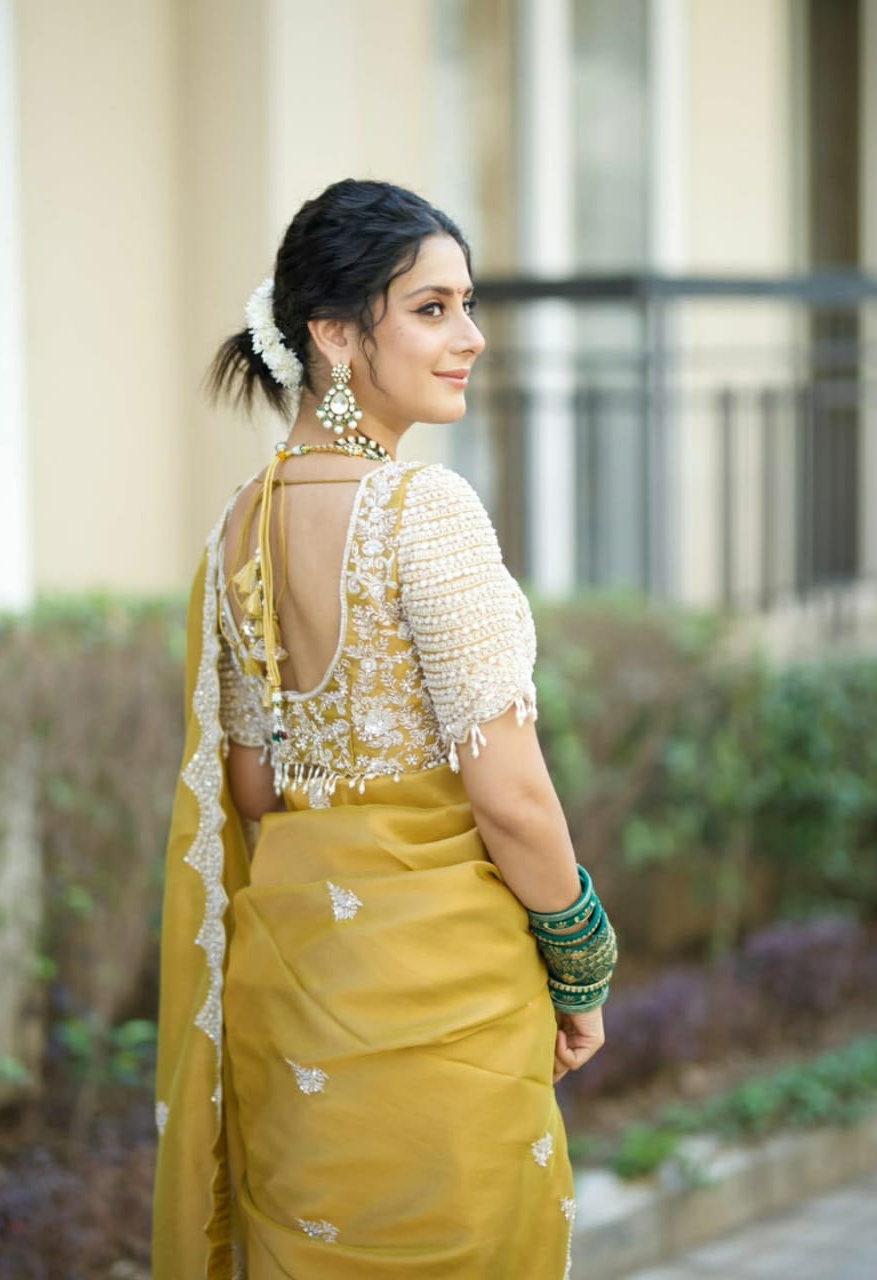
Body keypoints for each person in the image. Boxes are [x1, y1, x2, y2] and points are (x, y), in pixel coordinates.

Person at [152, 178, 616, 1280]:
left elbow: (255, 787)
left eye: (468, 305)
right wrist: (583, 960)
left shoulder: (240, 526)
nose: (472, 338)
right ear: (333, 333)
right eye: (433, 308)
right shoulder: (427, 511)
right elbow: (510, 793)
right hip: (441, 1000)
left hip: (299, 993)